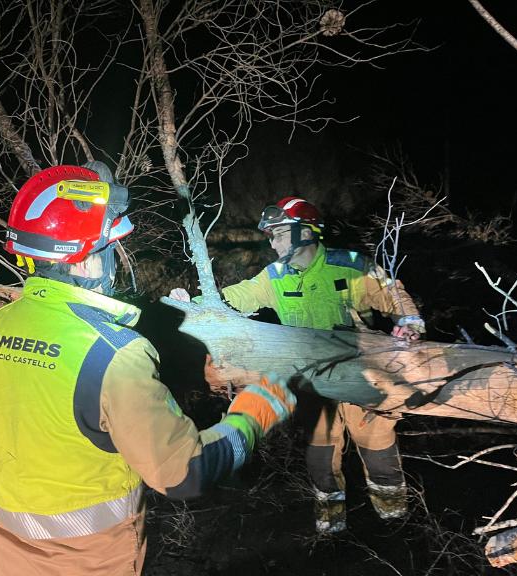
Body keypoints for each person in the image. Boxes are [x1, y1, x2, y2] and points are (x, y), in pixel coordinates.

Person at [0, 163, 297, 576]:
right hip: (94, 564)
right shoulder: (115, 354)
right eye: (109, 249)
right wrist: (255, 414)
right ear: (87, 261)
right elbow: (184, 473)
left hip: (7, 558)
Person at [169, 196, 426, 535]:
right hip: (312, 381)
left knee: (377, 444)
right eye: (271, 236)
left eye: (279, 234)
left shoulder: (350, 264)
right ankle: (332, 527)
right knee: (320, 450)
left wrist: (410, 323)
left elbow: (392, 293)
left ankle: (394, 521)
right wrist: (195, 303)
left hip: (362, 374)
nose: (272, 243)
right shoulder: (274, 276)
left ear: (305, 232)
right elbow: (235, 297)